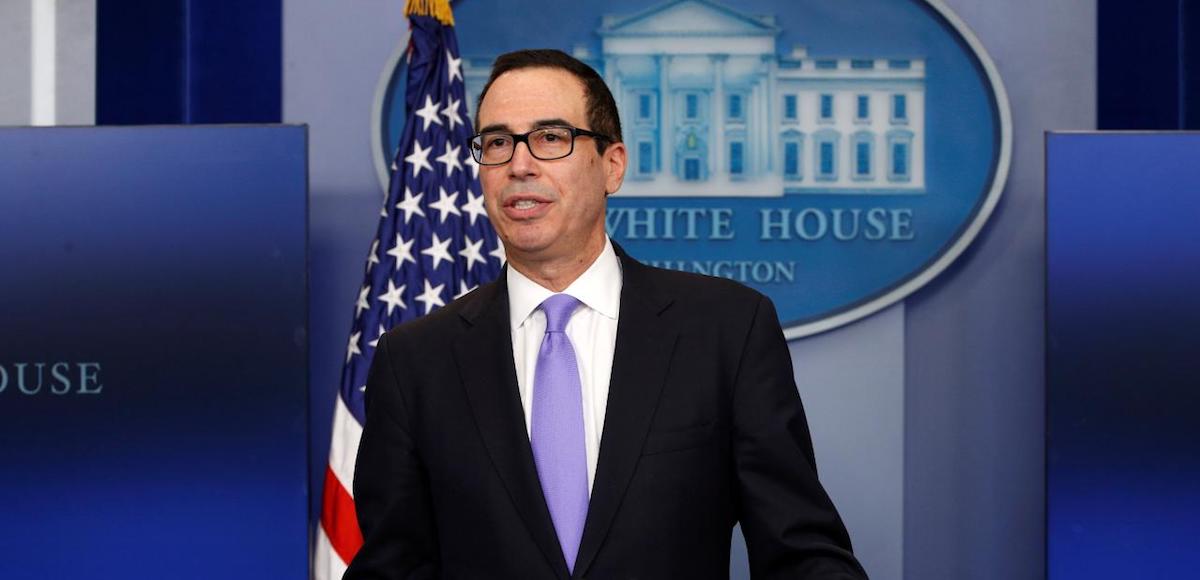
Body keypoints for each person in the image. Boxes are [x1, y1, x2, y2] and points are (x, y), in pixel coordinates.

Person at [346, 48, 867, 579]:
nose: (519, 164)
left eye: (551, 138)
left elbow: (801, 553)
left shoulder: (725, 330)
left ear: (612, 166)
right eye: (498, 142)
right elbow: (393, 567)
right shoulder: (415, 361)